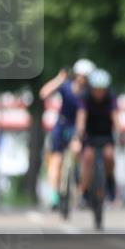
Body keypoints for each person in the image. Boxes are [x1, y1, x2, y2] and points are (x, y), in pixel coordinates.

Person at [39, 59, 94, 210]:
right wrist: (59, 79)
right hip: (62, 125)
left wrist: (79, 134)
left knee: (82, 156)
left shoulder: (89, 94)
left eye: (87, 77)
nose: (83, 80)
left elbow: (83, 116)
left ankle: (82, 190)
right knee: (56, 160)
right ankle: (55, 195)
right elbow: (44, 94)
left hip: (80, 127)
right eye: (82, 76)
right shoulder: (66, 86)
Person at [72, 69, 120, 205]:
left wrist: (121, 133)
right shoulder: (85, 96)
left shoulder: (111, 97)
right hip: (90, 133)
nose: (99, 92)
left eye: (102, 89)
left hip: (105, 133)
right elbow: (81, 116)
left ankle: (110, 180)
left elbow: (115, 117)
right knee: (87, 158)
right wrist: (79, 133)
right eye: (97, 89)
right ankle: (85, 192)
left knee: (109, 156)